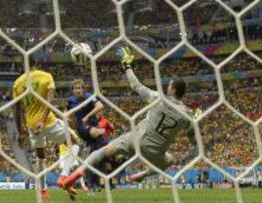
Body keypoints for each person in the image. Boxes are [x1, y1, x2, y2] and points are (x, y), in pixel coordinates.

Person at [61, 47, 197, 194]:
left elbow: (135, 85)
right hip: (155, 151)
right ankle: (141, 175)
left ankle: (76, 173)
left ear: (173, 91)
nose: (167, 87)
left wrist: (127, 65)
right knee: (169, 161)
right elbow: (194, 141)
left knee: (101, 153)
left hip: (135, 139)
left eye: (169, 86)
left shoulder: (158, 98)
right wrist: (194, 123)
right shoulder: (187, 115)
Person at [13, 66, 80, 200]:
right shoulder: (45, 76)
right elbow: (50, 100)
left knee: (41, 156)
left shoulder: (18, 83)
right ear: (36, 64)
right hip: (48, 122)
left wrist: (21, 132)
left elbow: (17, 109)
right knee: (75, 142)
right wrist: (42, 120)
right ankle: (64, 177)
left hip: (31, 125)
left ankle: (43, 190)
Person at [67, 79, 106, 192]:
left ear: (83, 89)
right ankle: (97, 138)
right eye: (75, 88)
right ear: (73, 90)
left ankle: (94, 184)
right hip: (83, 128)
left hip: (92, 126)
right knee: (97, 134)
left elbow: (100, 106)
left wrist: (88, 116)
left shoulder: (89, 96)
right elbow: (67, 113)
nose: (77, 90)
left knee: (95, 158)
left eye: (79, 88)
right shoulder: (71, 100)